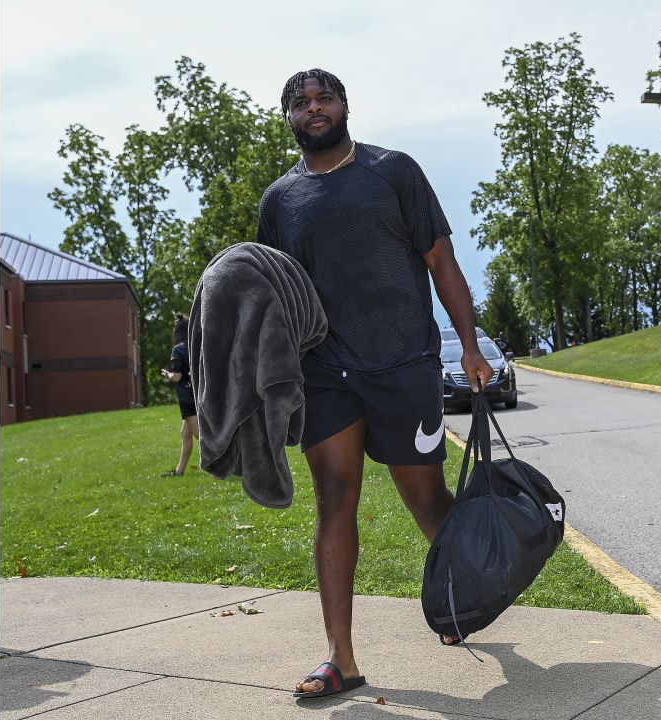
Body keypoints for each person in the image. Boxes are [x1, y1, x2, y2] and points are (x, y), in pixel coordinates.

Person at [255, 68, 492, 699]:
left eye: (324, 98)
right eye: (301, 103)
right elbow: (273, 298)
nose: (314, 108)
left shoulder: (394, 171)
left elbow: (441, 259)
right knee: (335, 498)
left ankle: (463, 598)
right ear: (287, 118)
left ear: (344, 106)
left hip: (402, 363)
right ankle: (341, 659)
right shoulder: (279, 201)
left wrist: (468, 347)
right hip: (324, 371)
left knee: (425, 499)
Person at [160, 312, 198, 476]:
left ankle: (231, 467)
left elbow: (177, 377)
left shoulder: (178, 350)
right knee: (186, 435)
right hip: (197, 396)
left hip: (186, 399)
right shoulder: (195, 348)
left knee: (202, 437)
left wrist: (167, 374)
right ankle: (179, 471)